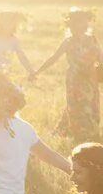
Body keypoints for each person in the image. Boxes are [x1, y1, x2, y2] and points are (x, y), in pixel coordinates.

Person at [32, 8, 101, 137]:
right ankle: (79, 134)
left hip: (91, 79)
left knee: (91, 106)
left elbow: (101, 58)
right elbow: (53, 58)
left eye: (86, 21)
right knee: (77, 106)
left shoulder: (92, 39)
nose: (84, 24)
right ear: (73, 24)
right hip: (75, 80)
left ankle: (88, 133)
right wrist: (37, 72)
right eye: (80, 22)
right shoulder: (68, 42)